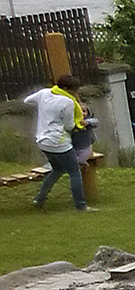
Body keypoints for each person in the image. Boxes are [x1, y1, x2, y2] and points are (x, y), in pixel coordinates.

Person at [25, 75, 95, 212]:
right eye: (73, 91)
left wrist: (44, 109)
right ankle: (81, 206)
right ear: (66, 89)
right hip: (59, 142)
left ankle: (39, 199)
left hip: (42, 140)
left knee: (57, 169)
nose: (75, 93)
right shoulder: (67, 102)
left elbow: (27, 101)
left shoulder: (44, 93)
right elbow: (69, 126)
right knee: (75, 172)